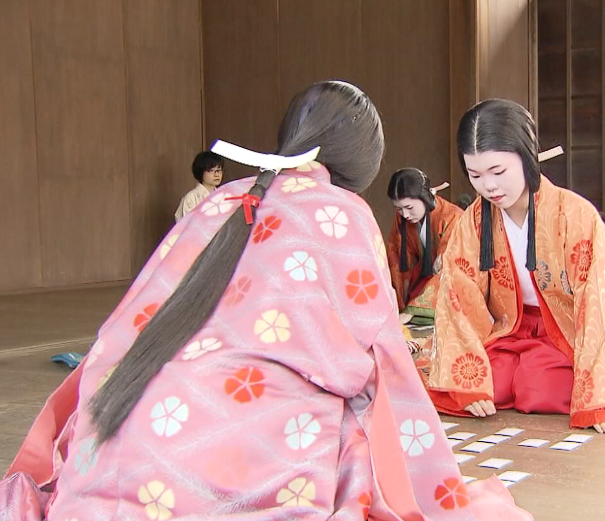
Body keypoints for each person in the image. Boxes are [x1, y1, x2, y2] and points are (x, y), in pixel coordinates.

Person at [2, 81, 532, 521]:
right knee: (359, 427)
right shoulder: (340, 211)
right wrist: (435, 481)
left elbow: (127, 325)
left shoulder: (218, 203)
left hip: (115, 457)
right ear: (360, 164)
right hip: (238, 467)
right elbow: (380, 363)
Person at [423, 99, 605, 435]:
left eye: (498, 172)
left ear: (526, 156)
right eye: (475, 175)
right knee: (491, 381)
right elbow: (458, 299)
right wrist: (467, 379)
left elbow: (601, 299)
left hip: (569, 328)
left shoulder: (573, 212)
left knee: (538, 384)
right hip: (514, 329)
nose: (488, 186)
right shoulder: (474, 222)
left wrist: (601, 394)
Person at [386, 168, 463, 326]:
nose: (405, 214)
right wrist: (400, 304)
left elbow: (450, 267)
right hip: (422, 282)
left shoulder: (453, 217)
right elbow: (397, 257)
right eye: (399, 209)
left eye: (409, 207)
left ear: (424, 197)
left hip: (452, 286)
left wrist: (414, 309)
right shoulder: (403, 219)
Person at [174, 151, 225, 222]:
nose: (217, 175)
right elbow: (184, 226)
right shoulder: (191, 198)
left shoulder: (223, 196)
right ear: (201, 172)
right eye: (211, 171)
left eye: (219, 170)